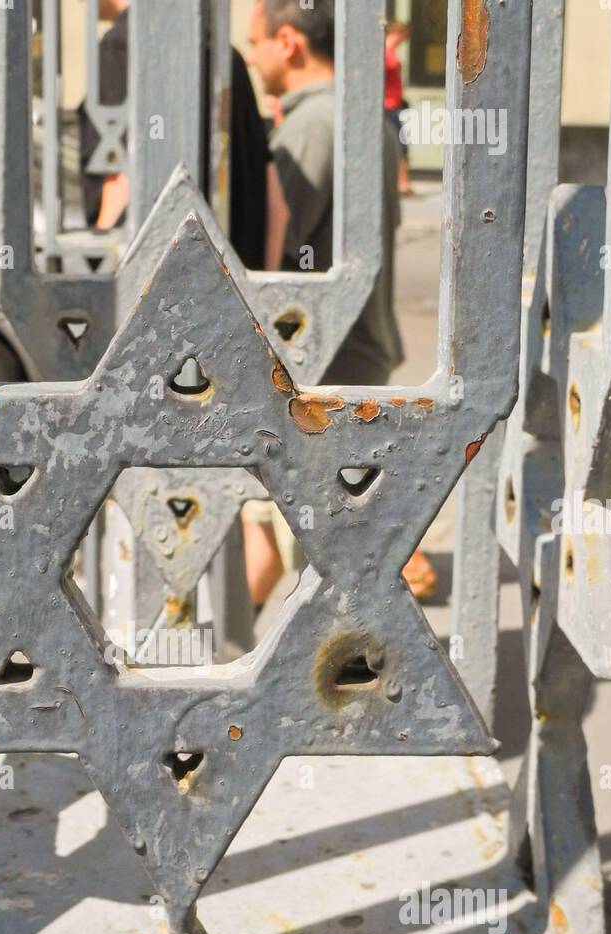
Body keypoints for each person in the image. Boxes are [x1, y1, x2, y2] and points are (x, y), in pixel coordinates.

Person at [244, 0, 436, 603]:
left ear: (289, 42)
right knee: (281, 524)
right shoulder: (360, 119)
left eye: (257, 44)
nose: (251, 57)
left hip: (321, 363)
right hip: (358, 353)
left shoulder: (311, 126)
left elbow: (274, 248)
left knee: (325, 547)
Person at [77, 0, 270, 269]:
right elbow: (269, 194)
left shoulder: (122, 47)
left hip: (159, 288)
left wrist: (103, 275)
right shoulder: (228, 57)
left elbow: (119, 182)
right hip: (234, 288)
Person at [385, 21, 414, 197]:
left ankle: (403, 182)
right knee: (398, 144)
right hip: (387, 105)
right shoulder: (385, 52)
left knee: (400, 144)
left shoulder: (390, 52)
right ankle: (402, 183)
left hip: (394, 103)